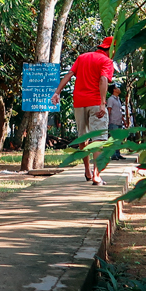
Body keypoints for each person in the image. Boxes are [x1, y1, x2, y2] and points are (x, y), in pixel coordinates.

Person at [50, 36, 114, 185]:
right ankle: (96, 175)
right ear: (111, 49)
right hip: (95, 103)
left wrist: (57, 92)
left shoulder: (82, 57)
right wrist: (103, 103)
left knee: (83, 137)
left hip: (79, 102)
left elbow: (69, 74)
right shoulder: (106, 61)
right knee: (98, 139)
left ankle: (87, 171)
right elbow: (103, 79)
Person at [107, 84, 126, 160]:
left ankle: (118, 154)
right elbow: (109, 110)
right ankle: (113, 155)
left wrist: (124, 121)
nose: (118, 89)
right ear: (114, 90)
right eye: (117, 88)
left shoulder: (118, 99)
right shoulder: (111, 99)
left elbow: (119, 111)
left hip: (119, 122)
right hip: (113, 121)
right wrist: (108, 121)